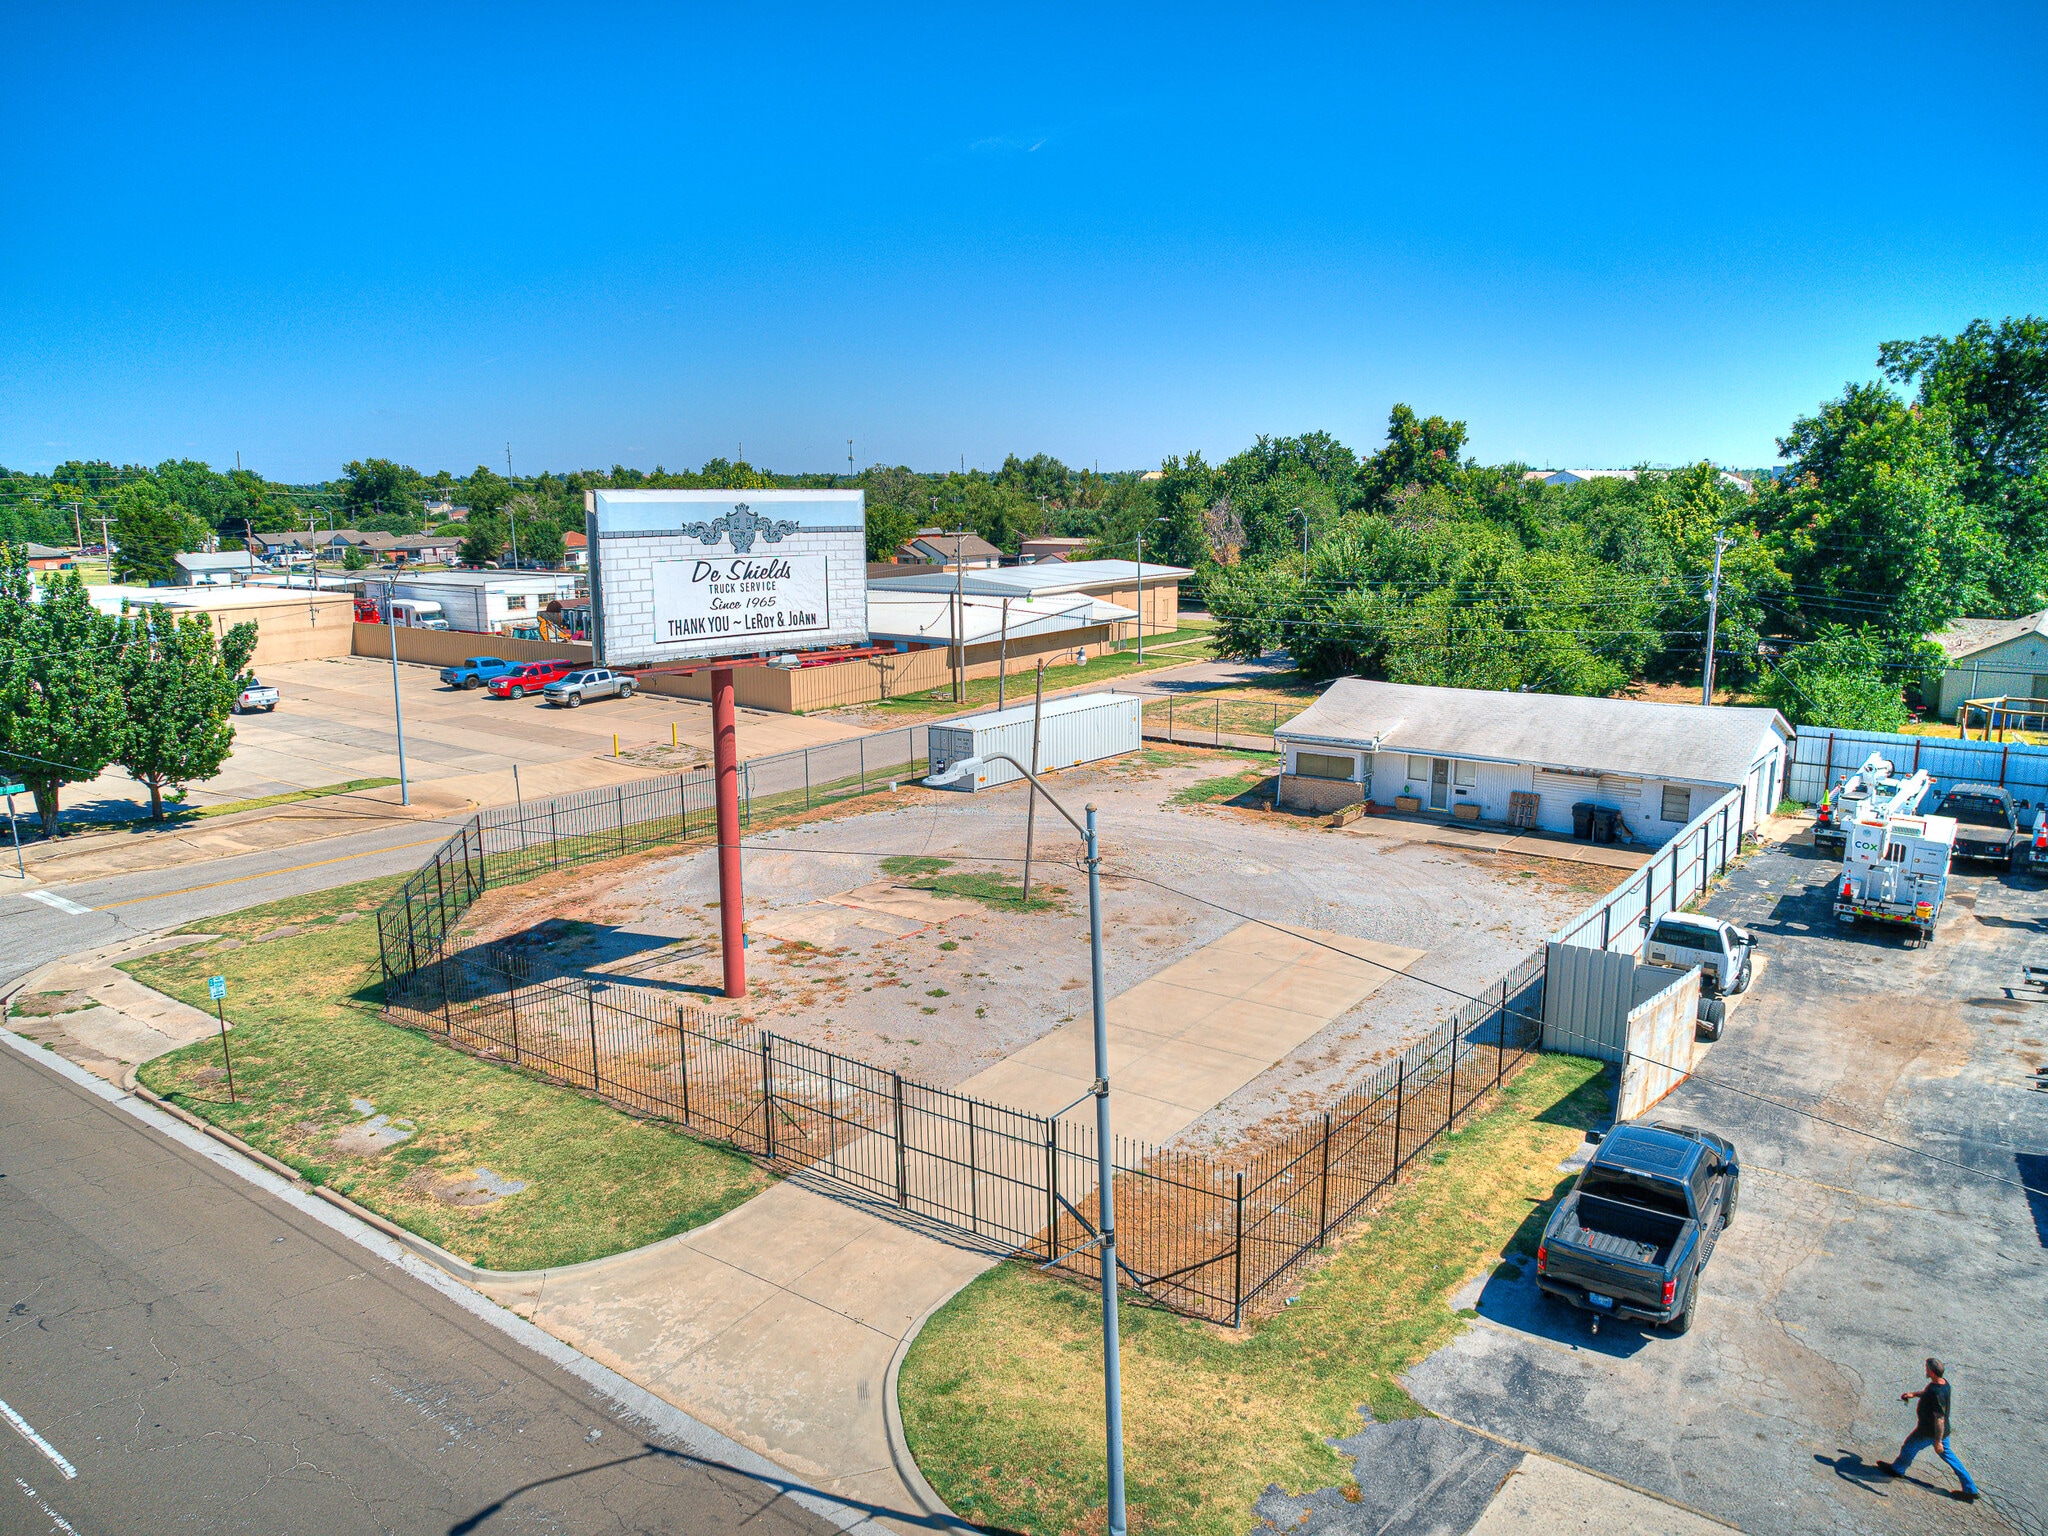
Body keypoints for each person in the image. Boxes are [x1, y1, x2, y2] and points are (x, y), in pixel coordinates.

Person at [1879, 1357, 1979, 1501]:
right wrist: (1913, 1394)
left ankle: (1897, 1469)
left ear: (1931, 1372)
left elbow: (1939, 1418)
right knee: (1949, 1457)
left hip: (1929, 1432)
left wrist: (1937, 1441)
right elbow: (1928, 1395)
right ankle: (1970, 1489)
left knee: (1909, 1447)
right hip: (1943, 1432)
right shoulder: (1942, 1385)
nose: (1925, 1370)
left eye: (1926, 1368)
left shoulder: (1936, 1392)